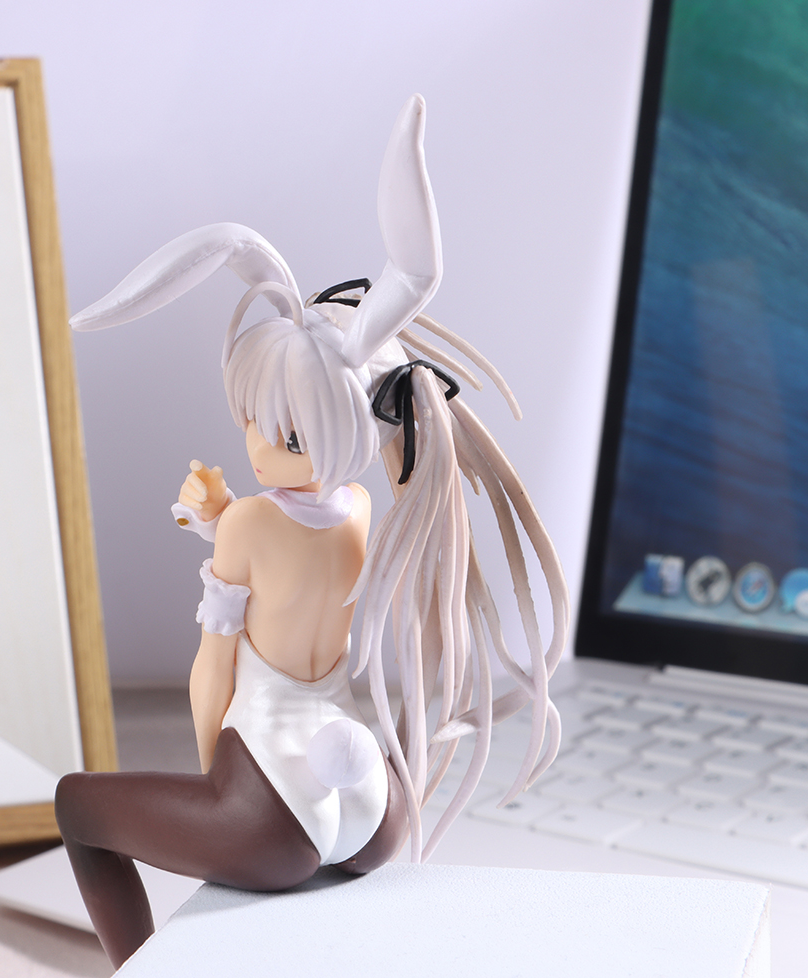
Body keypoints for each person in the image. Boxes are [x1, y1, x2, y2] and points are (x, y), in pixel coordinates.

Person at [56, 95, 568, 969]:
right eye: (252, 420)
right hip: (377, 806)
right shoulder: (362, 505)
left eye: (281, 430)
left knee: (77, 804)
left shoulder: (251, 524)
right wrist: (220, 520)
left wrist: (216, 779)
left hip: (272, 814)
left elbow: (214, 672)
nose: (257, 443)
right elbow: (295, 564)